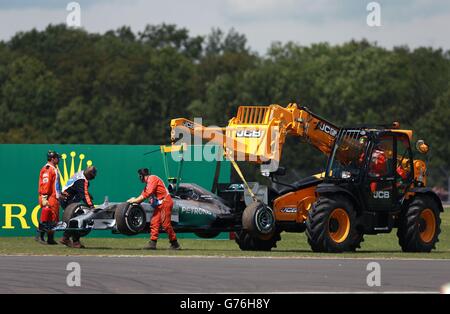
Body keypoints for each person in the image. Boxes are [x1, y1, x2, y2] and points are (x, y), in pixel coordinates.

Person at [127, 168, 180, 250]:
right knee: (154, 222)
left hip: (165, 203)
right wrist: (134, 200)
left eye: (139, 176)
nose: (139, 178)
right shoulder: (149, 182)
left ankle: (175, 244)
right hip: (161, 204)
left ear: (141, 176)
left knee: (166, 225)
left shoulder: (152, 179)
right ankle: (152, 244)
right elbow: (142, 195)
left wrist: (134, 200)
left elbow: (146, 195)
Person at [59, 166, 97, 248]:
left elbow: (79, 189)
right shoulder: (82, 181)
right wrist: (91, 206)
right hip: (68, 199)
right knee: (77, 218)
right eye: (92, 176)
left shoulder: (80, 174)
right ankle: (68, 239)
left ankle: (70, 239)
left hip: (64, 198)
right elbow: (84, 194)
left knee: (74, 219)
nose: (92, 178)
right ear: (89, 175)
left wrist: (88, 195)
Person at [36, 150, 62, 245]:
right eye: (57, 158)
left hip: (54, 197)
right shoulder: (48, 169)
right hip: (49, 197)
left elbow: (55, 185)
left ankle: (50, 239)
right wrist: (44, 197)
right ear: (52, 158)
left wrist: (60, 194)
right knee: (46, 217)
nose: (58, 159)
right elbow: (46, 184)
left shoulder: (54, 168)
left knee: (53, 219)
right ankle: (40, 237)